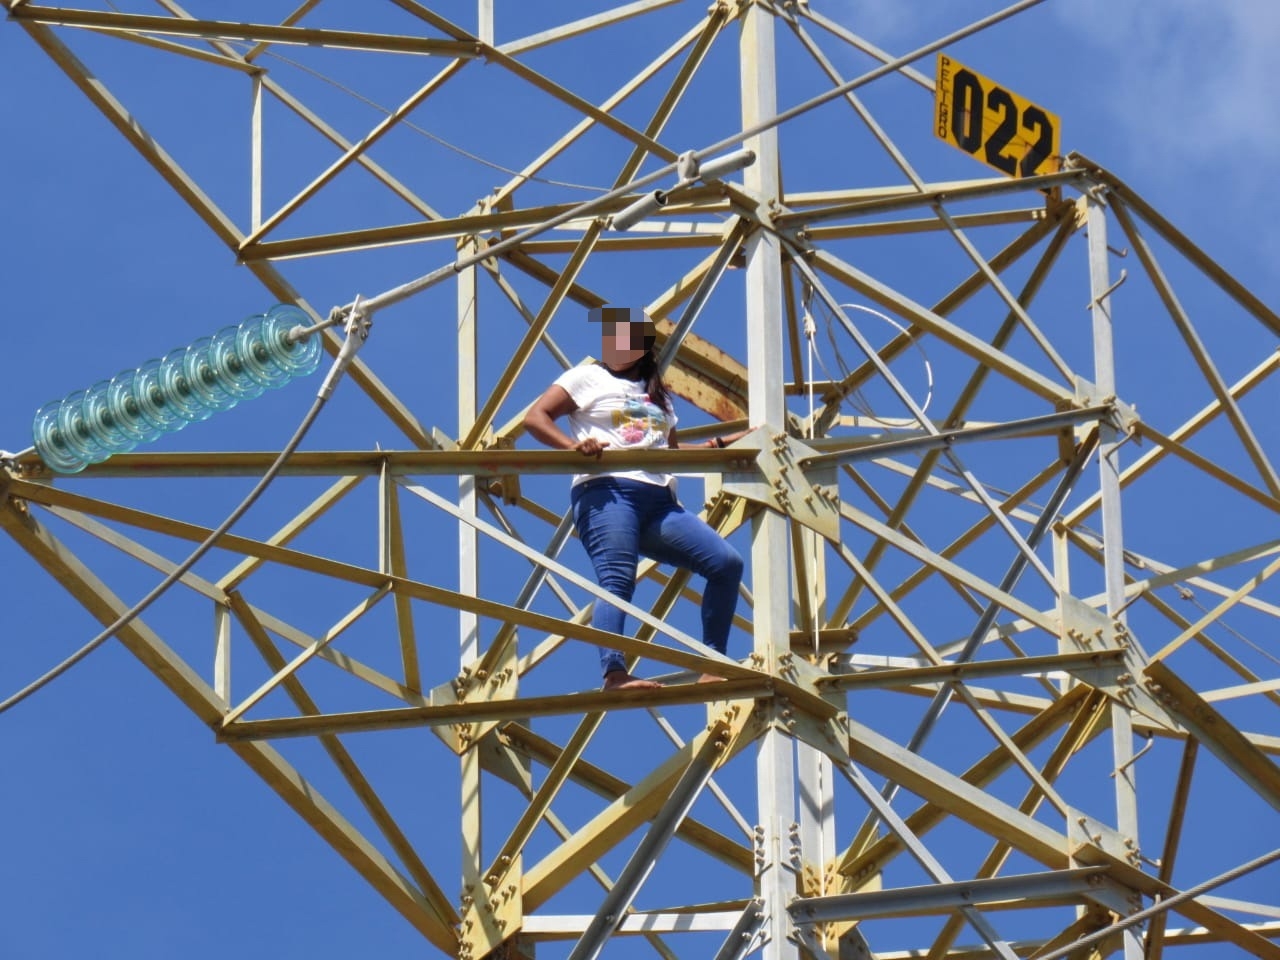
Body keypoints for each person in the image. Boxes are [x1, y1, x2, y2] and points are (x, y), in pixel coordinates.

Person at [524, 306, 748, 691]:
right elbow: (536, 417)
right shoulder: (586, 376)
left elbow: (672, 452)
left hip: (660, 500)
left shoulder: (657, 399)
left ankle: (714, 663)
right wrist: (572, 446)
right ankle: (614, 673)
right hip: (607, 491)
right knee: (617, 580)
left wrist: (723, 445)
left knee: (726, 563)